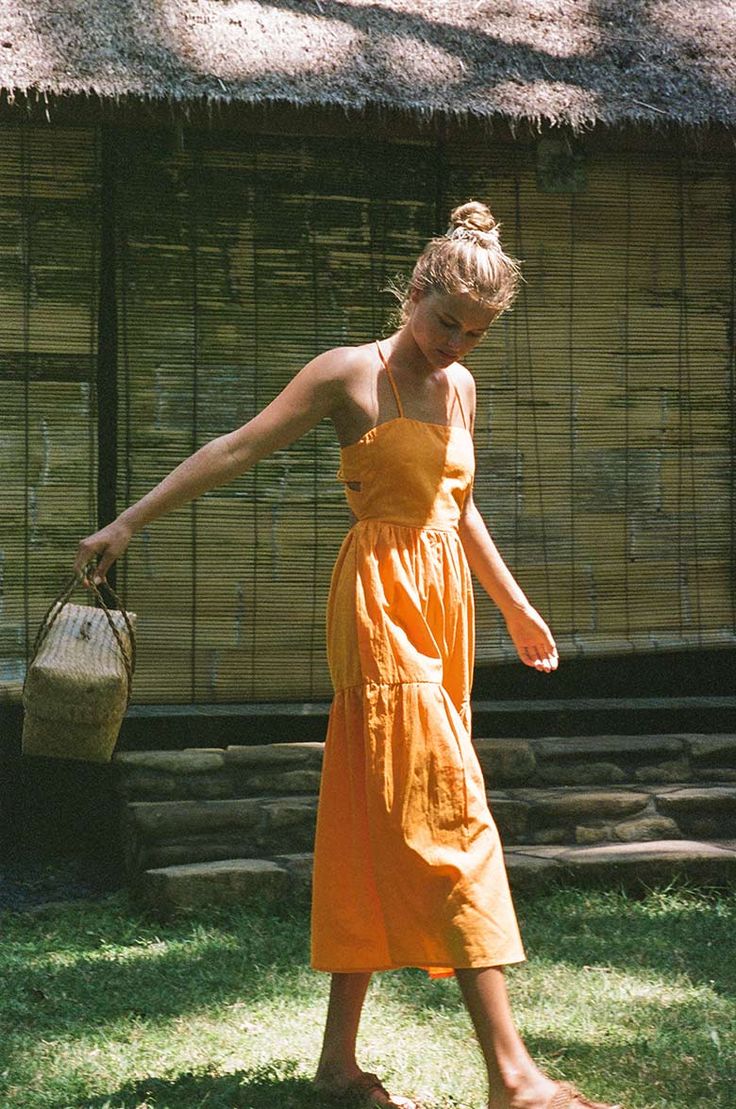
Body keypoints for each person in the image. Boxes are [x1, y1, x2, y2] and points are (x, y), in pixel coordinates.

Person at [74, 201, 621, 1109]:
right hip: (377, 610)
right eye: (447, 320)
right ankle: (516, 1079)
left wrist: (517, 607)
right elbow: (237, 447)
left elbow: (461, 504)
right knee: (449, 815)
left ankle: (337, 1067)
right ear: (414, 292)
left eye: (476, 333)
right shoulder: (347, 375)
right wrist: (130, 521)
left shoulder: (462, 390)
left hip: (444, 617)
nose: (456, 343)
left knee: (376, 815)